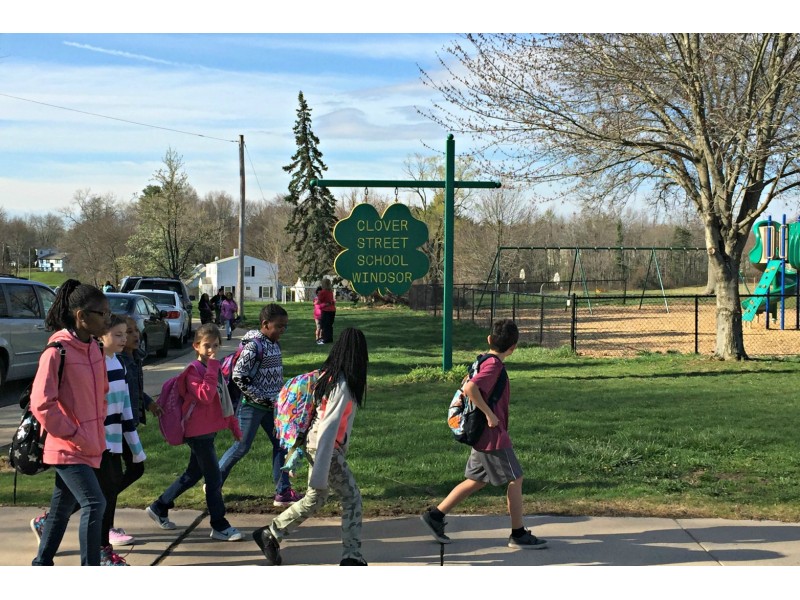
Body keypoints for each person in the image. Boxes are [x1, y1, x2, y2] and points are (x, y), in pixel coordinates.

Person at [419, 319, 548, 550]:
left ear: (489, 340)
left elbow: (469, 382)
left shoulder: (483, 359)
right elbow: (470, 388)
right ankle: (518, 534)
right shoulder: (494, 366)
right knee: (515, 479)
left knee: (476, 480)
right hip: (492, 436)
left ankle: (435, 517)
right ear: (514, 348)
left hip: (481, 436)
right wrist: (489, 414)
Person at [252, 327, 369, 567]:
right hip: (325, 448)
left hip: (317, 446)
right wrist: (322, 468)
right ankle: (352, 556)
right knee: (352, 498)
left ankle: (271, 533)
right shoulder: (343, 384)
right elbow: (328, 426)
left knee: (316, 497)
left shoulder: (328, 375)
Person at [30, 280, 110, 566]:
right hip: (65, 446)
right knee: (94, 503)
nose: (107, 320)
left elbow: (102, 394)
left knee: (62, 507)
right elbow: (42, 403)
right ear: (81, 316)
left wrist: (95, 433)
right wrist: (75, 432)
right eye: (102, 314)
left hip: (89, 443)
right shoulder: (57, 351)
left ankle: (42, 563)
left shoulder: (96, 349)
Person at [145, 323, 244, 542]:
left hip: (209, 431)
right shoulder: (193, 371)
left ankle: (159, 506)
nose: (211, 351)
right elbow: (205, 396)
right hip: (197, 433)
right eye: (207, 346)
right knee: (214, 478)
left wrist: (233, 427)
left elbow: (222, 400)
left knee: (193, 474)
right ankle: (219, 524)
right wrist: (211, 369)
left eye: (215, 346)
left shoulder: (214, 369)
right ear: (196, 346)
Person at [218, 304, 302, 507]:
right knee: (241, 447)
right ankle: (214, 483)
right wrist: (259, 398)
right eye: (279, 326)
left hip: (272, 407)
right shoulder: (253, 346)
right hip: (251, 406)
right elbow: (239, 376)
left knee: (280, 445)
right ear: (265, 324)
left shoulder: (274, 344)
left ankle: (282, 492)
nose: (282, 330)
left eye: (285, 327)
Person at [95, 314, 147, 565]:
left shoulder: (120, 363)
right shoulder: (95, 363)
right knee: (102, 492)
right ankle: (101, 550)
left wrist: (134, 445)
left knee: (106, 491)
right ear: (101, 336)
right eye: (117, 334)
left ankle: (102, 550)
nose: (124, 338)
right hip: (95, 442)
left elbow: (125, 407)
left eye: (124, 334)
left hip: (113, 441)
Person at [316, 279, 336, 344]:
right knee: (330, 325)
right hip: (332, 310)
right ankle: (330, 338)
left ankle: (325, 339)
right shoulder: (331, 292)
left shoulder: (322, 292)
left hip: (326, 310)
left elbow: (318, 301)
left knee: (324, 325)